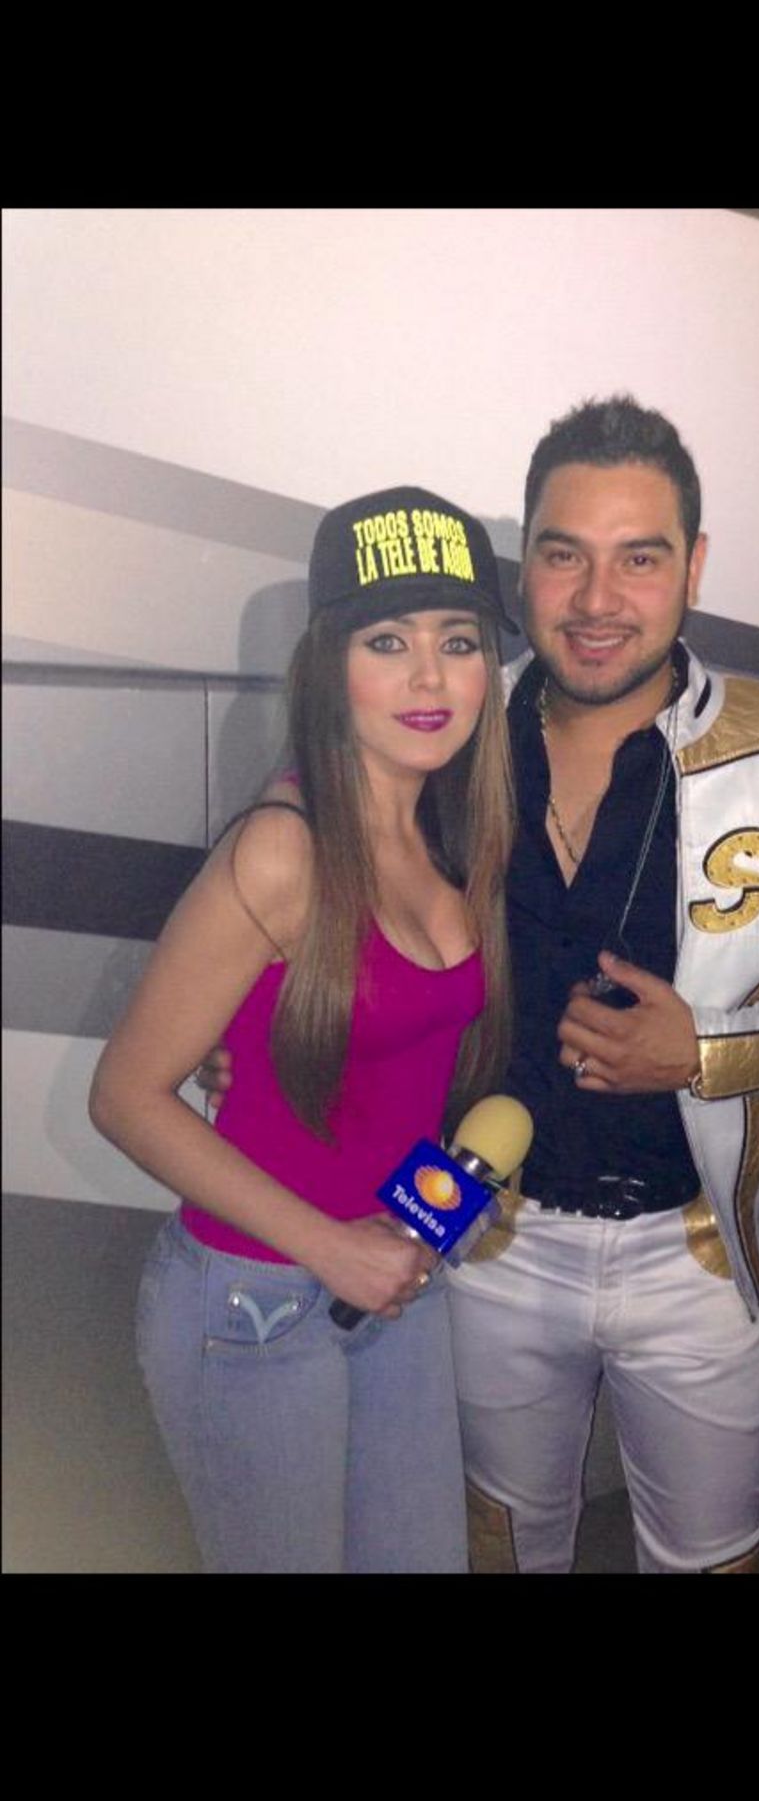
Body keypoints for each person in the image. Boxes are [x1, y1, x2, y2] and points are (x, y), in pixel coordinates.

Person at [201, 398, 759, 1575]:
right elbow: (307, 865)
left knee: (712, 1556)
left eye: (638, 557)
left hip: (695, 1249)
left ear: (693, 566)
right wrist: (249, 1020)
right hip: (487, 1232)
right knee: (500, 1542)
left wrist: (709, 1050)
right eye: (563, 555)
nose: (598, 599)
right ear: (525, 568)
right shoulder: (444, 722)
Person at [90, 485, 517, 1574]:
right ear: (331, 665)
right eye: (389, 641)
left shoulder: (454, 834)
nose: (430, 678)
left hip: (396, 1277)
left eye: (458, 641)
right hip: (255, 1304)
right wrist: (332, 1247)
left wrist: (441, 1203)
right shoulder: (283, 848)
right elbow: (126, 1096)